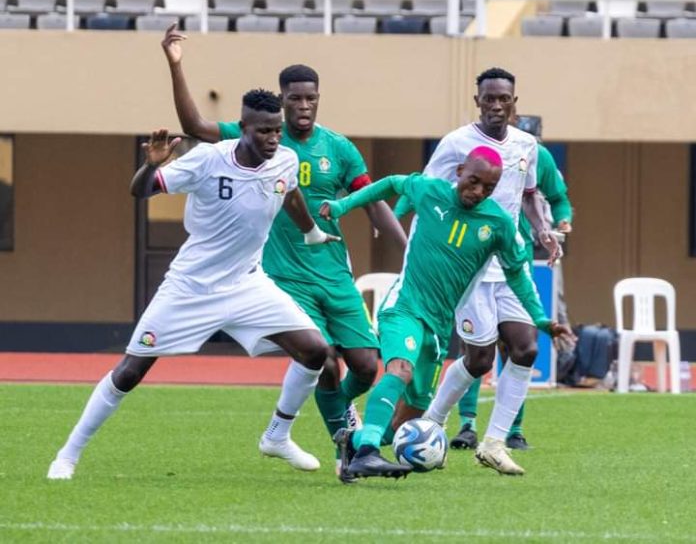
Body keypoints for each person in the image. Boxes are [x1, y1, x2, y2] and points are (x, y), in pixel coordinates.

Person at [47, 90, 338, 480]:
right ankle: (68, 454)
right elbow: (141, 190)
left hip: (248, 284)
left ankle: (277, 436)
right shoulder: (207, 159)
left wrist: (313, 233)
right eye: (265, 131)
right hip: (189, 288)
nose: (274, 138)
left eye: (278, 131)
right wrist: (149, 166)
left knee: (316, 351)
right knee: (131, 372)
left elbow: (290, 194)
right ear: (244, 128)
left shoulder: (284, 160)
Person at [160, 25, 408, 473]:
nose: (304, 105)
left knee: (366, 367)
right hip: (284, 274)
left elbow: (374, 203)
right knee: (325, 361)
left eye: (311, 97)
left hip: (333, 271)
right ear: (282, 98)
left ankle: (339, 413)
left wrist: (408, 254)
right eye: (295, 97)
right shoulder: (260, 134)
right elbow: (194, 127)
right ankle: (346, 443)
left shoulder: (340, 148)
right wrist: (176, 64)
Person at [320, 148, 573, 480]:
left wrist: (540, 319)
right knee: (400, 369)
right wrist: (342, 206)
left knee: (403, 423)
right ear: (458, 171)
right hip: (405, 306)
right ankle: (366, 454)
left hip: (439, 329)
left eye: (488, 187)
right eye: (473, 181)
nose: (478, 191)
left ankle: (351, 440)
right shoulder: (430, 190)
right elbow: (391, 184)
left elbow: (517, 276)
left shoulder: (497, 223)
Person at [390, 67, 563, 476]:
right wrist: (400, 227)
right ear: (478, 101)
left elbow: (529, 194)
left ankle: (494, 442)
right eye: (490, 98)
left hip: (508, 259)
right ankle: (431, 421)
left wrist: (544, 229)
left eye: (505, 98)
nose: (497, 105)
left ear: (514, 102)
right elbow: (424, 189)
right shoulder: (456, 143)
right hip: (467, 269)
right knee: (481, 358)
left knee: (526, 348)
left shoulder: (527, 145)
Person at [450, 109, 574, 452]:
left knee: (520, 344)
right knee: (475, 347)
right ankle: (467, 423)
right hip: (476, 257)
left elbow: (555, 196)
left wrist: (559, 223)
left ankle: (512, 429)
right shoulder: (474, 148)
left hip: (515, 257)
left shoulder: (535, 153)